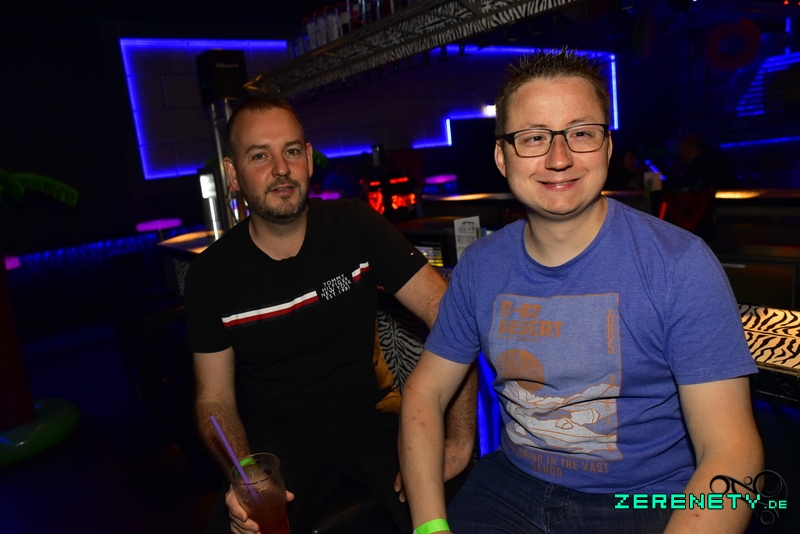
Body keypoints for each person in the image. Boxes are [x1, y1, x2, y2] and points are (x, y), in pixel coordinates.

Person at [399, 49, 763, 534]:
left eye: (581, 133)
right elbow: (425, 391)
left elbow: (731, 453)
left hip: (642, 498)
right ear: (502, 157)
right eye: (533, 137)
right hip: (511, 487)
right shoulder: (481, 266)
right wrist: (429, 527)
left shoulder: (680, 264)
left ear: (607, 148)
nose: (559, 158)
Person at [184, 94, 476, 534]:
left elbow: (453, 316)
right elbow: (214, 401)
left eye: (291, 151)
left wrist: (459, 441)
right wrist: (244, 475)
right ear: (233, 174)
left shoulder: (355, 224)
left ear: (308, 160)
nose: (280, 169)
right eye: (259, 155)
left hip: (372, 420)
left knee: (467, 511)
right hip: (280, 441)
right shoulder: (211, 275)